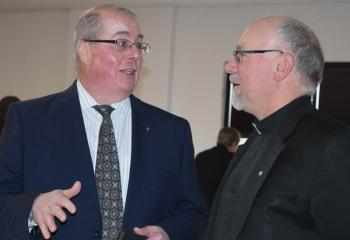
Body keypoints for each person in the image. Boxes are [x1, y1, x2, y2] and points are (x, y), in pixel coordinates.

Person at [0, 4, 207, 240]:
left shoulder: (172, 131)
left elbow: (194, 212)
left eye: (139, 45)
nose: (135, 55)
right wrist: (33, 207)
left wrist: (167, 232)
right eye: (121, 43)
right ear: (84, 50)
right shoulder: (28, 121)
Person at [203, 16, 350, 240]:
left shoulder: (331, 144)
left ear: (282, 65)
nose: (229, 66)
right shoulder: (253, 141)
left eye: (240, 55)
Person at [195, 127, 241, 209]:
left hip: (199, 206)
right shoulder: (234, 161)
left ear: (219, 140)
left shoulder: (201, 156)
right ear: (234, 143)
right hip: (220, 208)